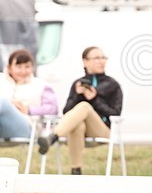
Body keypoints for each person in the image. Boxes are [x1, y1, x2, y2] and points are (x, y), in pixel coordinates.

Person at [37, 46, 124, 174]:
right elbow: (67, 112)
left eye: (103, 57)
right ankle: (76, 171)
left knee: (84, 106)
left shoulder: (112, 85)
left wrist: (95, 100)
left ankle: (53, 136)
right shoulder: (78, 84)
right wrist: (77, 95)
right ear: (85, 61)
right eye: (96, 58)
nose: (101, 61)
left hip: (102, 129)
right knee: (77, 124)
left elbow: (115, 113)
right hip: (81, 130)